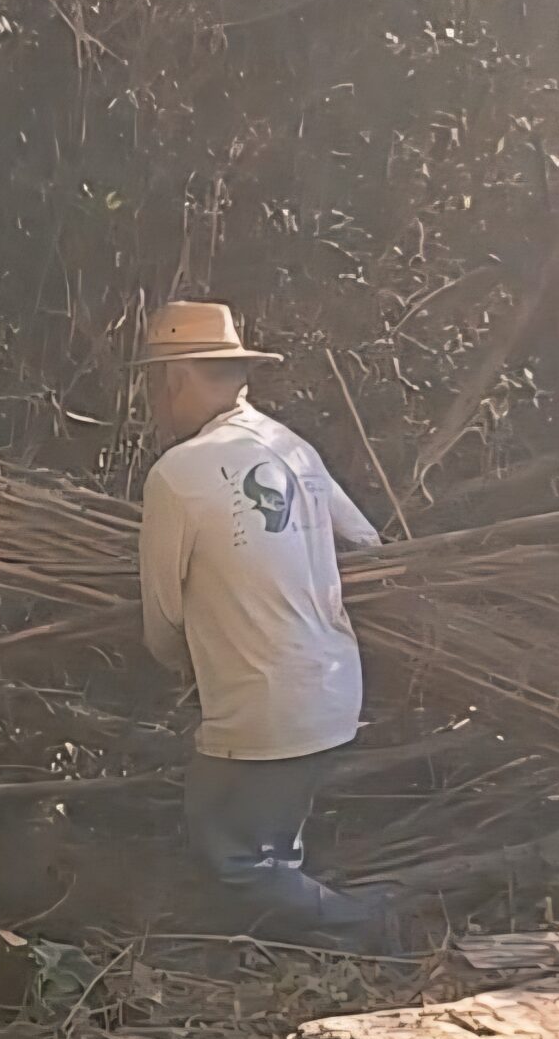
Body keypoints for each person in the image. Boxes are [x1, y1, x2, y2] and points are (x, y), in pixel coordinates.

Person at [136, 301, 384, 932]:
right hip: (333, 687)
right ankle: (292, 941)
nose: (155, 403)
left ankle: (369, 927)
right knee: (267, 836)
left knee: (232, 853)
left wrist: (190, 669)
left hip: (261, 706)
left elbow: (163, 624)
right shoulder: (291, 447)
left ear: (176, 380)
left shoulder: (177, 474)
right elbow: (368, 545)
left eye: (154, 386)